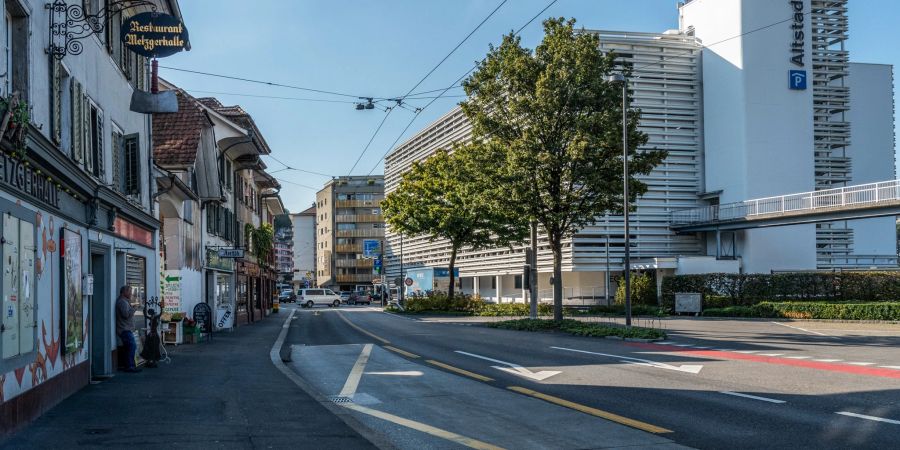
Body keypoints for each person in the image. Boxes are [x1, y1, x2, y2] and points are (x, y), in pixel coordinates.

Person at [116, 286, 141, 373]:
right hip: (124, 329)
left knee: (128, 347)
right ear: (124, 292)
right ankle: (130, 366)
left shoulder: (125, 301)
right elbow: (126, 314)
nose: (131, 294)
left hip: (126, 328)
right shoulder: (122, 302)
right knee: (132, 346)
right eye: (129, 292)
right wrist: (134, 309)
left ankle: (128, 365)